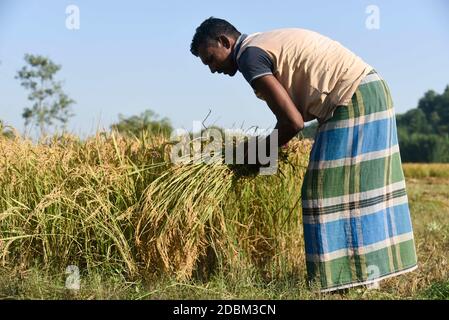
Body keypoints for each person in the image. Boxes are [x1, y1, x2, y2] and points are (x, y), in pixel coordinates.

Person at [190, 17, 418, 293]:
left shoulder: (250, 57)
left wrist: (259, 153)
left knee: (322, 191)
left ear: (225, 42)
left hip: (354, 96)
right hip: (367, 91)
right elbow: (288, 121)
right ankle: (362, 277)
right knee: (357, 191)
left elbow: (293, 122)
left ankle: (347, 280)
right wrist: (270, 147)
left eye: (211, 59)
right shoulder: (259, 45)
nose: (213, 69)